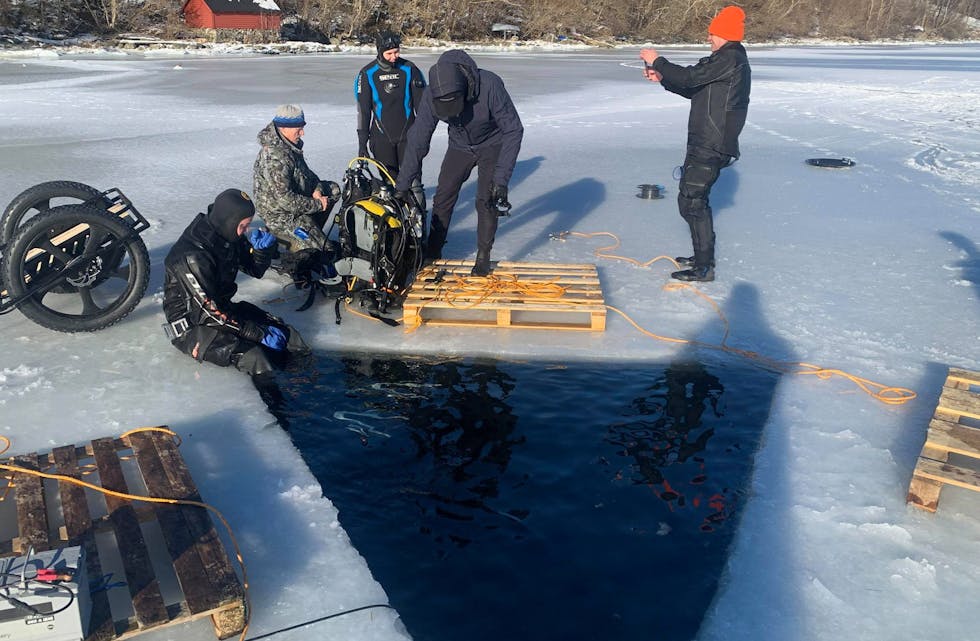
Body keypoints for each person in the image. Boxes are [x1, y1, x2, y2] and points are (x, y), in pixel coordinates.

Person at [640, 5, 751, 282]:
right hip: (705, 140)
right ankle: (701, 259)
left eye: (713, 33)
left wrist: (658, 61)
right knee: (690, 200)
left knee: (692, 201)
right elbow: (693, 87)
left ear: (726, 34)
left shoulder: (731, 58)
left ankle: (704, 267)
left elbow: (690, 77)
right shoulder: (724, 59)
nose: (709, 38)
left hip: (712, 143)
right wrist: (663, 78)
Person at [394, 49, 524, 277]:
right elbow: (418, 139)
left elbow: (513, 129)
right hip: (460, 145)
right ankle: (433, 251)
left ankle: (483, 254)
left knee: (486, 199)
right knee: (444, 195)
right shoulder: (431, 93)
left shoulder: (490, 85)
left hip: (492, 144)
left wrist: (501, 180)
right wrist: (402, 185)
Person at [163, 188, 310, 380]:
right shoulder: (193, 257)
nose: (246, 231)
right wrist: (258, 332)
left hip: (224, 310)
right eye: (243, 225)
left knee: (288, 336)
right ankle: (279, 406)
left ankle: (309, 384)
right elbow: (208, 314)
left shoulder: (226, 236)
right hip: (194, 326)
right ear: (229, 221)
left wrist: (261, 252)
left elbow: (253, 270)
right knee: (254, 357)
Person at [253, 104, 340, 284]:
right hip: (280, 215)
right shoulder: (276, 157)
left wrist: (317, 190)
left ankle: (309, 230)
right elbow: (285, 201)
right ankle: (289, 240)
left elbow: (308, 176)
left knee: (333, 190)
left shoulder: (290, 145)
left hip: (295, 202)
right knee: (326, 251)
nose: (302, 133)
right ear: (284, 127)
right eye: (299, 129)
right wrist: (317, 205)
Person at [354, 30, 426, 178]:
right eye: (389, 53)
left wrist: (423, 135)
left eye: (396, 52)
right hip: (381, 138)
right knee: (389, 185)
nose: (394, 57)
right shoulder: (367, 74)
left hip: (409, 136)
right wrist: (362, 143)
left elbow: (422, 107)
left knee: (414, 184)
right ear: (380, 52)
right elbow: (363, 111)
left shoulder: (410, 69)